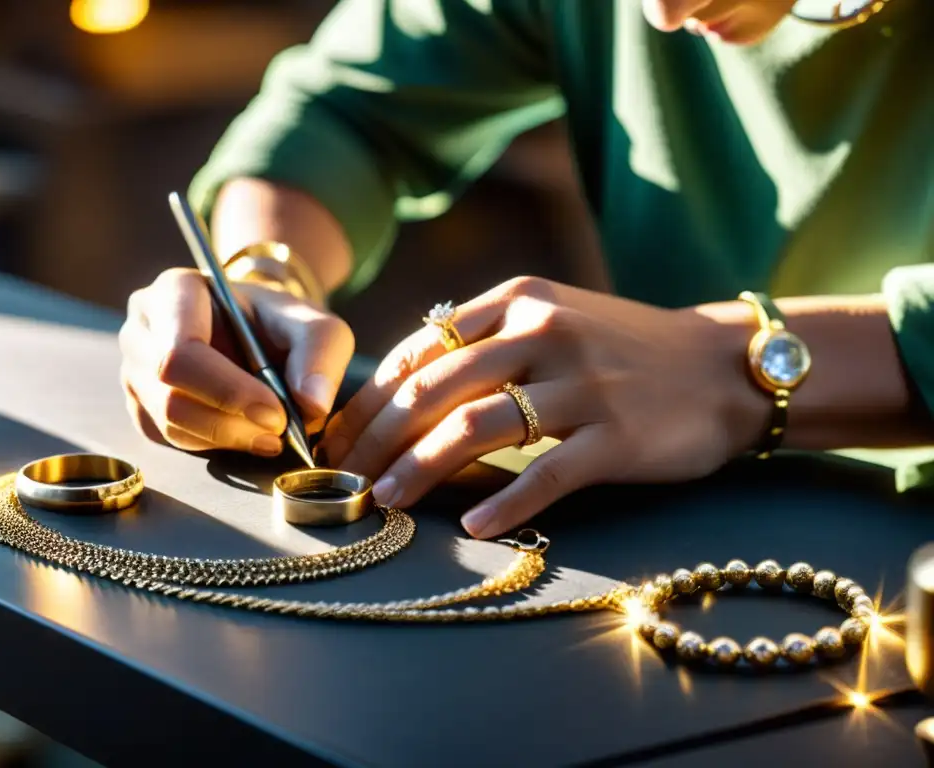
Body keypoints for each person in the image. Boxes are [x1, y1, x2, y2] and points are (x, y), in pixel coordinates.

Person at [119, 0, 934, 540]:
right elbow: (350, 110)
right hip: (689, 528)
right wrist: (265, 274)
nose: (662, 14)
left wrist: (735, 368)